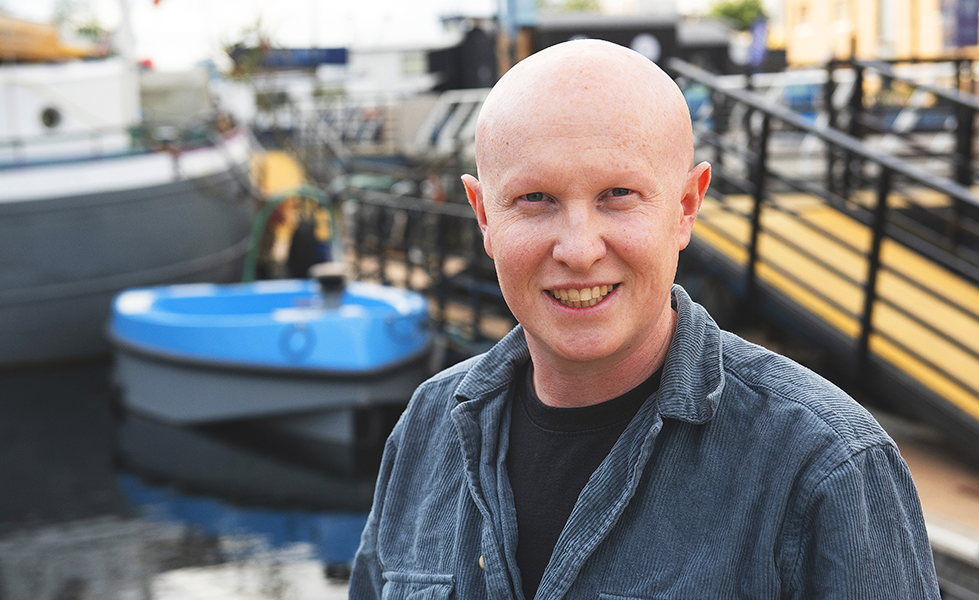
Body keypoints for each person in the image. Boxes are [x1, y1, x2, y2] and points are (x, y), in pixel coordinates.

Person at [348, 39, 940, 599]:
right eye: (535, 200)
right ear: (483, 216)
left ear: (686, 207)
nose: (578, 249)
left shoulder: (825, 465)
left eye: (618, 195)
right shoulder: (429, 429)